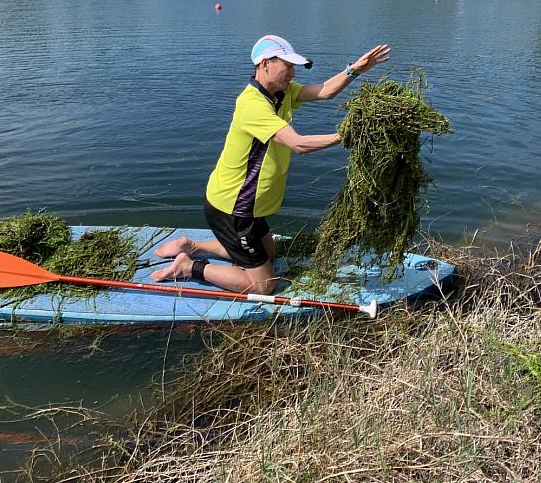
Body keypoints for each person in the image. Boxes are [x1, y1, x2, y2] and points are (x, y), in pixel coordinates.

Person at [152, 36, 391, 295]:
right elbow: (297, 144)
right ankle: (189, 267)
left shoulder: (281, 92)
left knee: (269, 254)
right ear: (266, 63)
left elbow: (324, 91)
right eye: (287, 65)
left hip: (249, 206)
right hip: (232, 208)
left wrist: (353, 70)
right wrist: (348, 134)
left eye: (293, 67)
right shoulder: (252, 104)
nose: (292, 72)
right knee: (264, 285)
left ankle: (191, 245)